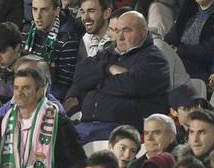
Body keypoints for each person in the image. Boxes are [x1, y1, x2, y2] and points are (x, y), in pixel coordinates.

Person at [68, 11, 170, 142]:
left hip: (122, 129)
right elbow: (80, 76)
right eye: (117, 31)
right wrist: (107, 68)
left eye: (126, 31)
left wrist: (95, 83)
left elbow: (131, 86)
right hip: (89, 124)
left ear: (143, 33)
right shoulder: (109, 53)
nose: (120, 37)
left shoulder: (154, 59)